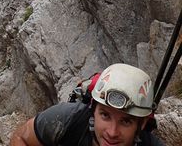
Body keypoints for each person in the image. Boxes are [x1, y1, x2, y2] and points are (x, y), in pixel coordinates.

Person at [10, 63, 164, 146]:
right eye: (105, 115)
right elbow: (21, 138)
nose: (112, 132)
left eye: (126, 121)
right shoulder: (67, 119)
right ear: (93, 110)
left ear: (142, 123)